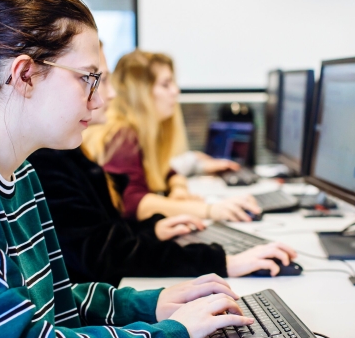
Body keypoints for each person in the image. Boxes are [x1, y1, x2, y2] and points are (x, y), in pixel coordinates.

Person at [0, 0, 255, 338]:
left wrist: (152, 304)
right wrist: (173, 334)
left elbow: (57, 303)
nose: (100, 99)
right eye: (87, 78)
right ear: (25, 75)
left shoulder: (22, 172)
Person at [28, 46, 297, 286]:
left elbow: (107, 233)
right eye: (92, 79)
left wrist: (153, 227)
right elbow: (111, 239)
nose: (106, 96)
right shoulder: (73, 152)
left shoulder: (71, 154)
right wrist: (219, 251)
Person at [82, 49, 261, 222]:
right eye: (165, 84)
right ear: (140, 92)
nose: (175, 91)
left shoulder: (142, 134)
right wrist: (211, 210)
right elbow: (133, 202)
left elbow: (167, 171)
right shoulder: (122, 138)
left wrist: (178, 189)